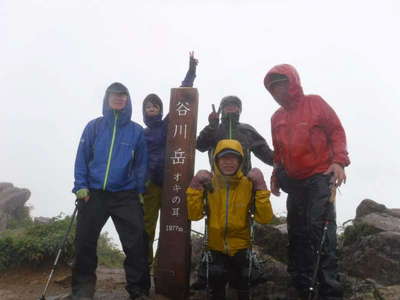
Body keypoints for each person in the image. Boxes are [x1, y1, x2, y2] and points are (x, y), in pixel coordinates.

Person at [263, 64, 350, 300]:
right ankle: (301, 286)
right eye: (272, 87)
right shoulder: (276, 117)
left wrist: (339, 162)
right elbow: (278, 152)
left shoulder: (315, 103)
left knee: (319, 228)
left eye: (280, 83)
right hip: (294, 182)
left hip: (320, 176)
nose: (277, 90)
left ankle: (329, 290)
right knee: (297, 233)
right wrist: (275, 176)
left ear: (292, 82)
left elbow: (336, 132)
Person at [72, 82, 149, 300]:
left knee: (136, 243)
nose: (118, 98)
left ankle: (138, 290)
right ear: (107, 99)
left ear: (128, 100)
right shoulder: (93, 127)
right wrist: (81, 186)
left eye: (123, 95)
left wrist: (139, 189)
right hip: (94, 193)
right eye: (114, 95)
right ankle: (82, 290)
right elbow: (82, 158)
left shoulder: (136, 131)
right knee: (84, 242)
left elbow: (141, 164)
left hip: (126, 194)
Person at [186, 139, 273, 300]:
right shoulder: (208, 183)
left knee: (244, 279)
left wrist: (261, 187)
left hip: (241, 248)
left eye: (234, 158)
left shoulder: (248, 184)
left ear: (240, 161)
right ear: (216, 161)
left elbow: (265, 217)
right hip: (215, 247)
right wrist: (195, 186)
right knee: (216, 277)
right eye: (224, 158)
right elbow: (194, 215)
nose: (228, 162)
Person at [142, 52, 198, 268]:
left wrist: (190, 74)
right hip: (150, 185)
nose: (152, 109)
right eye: (148, 107)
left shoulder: (167, 124)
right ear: (144, 111)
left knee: (171, 225)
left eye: (155, 106)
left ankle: (161, 267)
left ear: (160, 109)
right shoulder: (141, 133)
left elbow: (180, 102)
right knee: (147, 227)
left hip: (170, 183)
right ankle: (144, 264)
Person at [196, 95, 274, 174]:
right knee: (201, 175)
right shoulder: (213, 130)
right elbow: (200, 145)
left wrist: (283, 161)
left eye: (234, 105)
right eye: (227, 105)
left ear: (239, 110)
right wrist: (211, 126)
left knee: (257, 174)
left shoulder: (247, 130)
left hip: (244, 180)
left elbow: (267, 155)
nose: (231, 107)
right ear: (221, 110)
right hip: (217, 181)